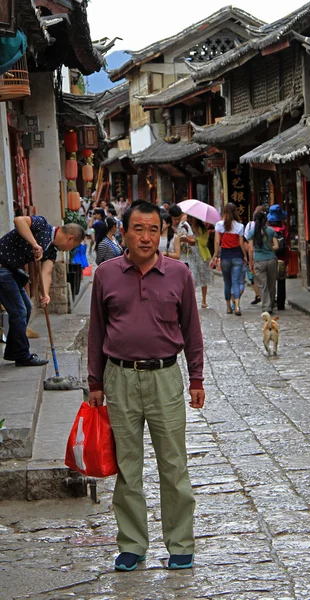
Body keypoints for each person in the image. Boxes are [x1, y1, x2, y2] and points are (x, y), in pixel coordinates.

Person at [88, 200, 205, 572]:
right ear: (123, 232)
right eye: (138, 228)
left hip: (165, 378)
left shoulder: (179, 275)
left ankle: (181, 543)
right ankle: (133, 543)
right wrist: (95, 382)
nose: (146, 236)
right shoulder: (106, 274)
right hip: (118, 379)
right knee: (128, 466)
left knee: (174, 464)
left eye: (154, 229)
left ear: (162, 232)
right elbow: (96, 331)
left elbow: (192, 330)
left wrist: (196, 377)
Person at [0, 216, 84, 366]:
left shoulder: (51, 251)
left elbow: (46, 272)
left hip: (11, 271)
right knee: (19, 311)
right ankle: (22, 355)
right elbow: (19, 220)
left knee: (27, 307)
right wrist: (34, 243)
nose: (67, 250)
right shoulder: (42, 225)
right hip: (2, 267)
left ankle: (14, 350)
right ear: (70, 238)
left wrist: (45, 293)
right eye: (71, 247)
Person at [210, 202, 247, 316]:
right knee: (236, 282)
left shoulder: (219, 225)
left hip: (225, 256)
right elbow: (241, 243)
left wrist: (215, 255)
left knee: (227, 282)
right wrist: (245, 255)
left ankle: (228, 307)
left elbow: (217, 242)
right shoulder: (239, 226)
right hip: (237, 256)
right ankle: (236, 306)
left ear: (224, 212)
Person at [247, 211, 279, 314]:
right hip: (271, 260)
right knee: (271, 284)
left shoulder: (252, 232)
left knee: (262, 285)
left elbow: (251, 249)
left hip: (259, 261)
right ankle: (271, 304)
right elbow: (276, 246)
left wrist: (250, 261)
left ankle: (266, 307)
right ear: (265, 220)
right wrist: (270, 249)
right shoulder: (271, 231)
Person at [187, 216, 214, 308]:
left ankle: (204, 300)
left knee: (204, 278)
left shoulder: (203, 229)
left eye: (193, 218)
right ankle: (192, 300)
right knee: (192, 277)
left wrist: (197, 233)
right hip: (191, 255)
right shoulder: (187, 228)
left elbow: (203, 242)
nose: (191, 220)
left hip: (202, 256)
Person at [267, 204, 290, 311]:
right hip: (282, 259)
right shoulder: (284, 229)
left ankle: (270, 303)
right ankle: (281, 304)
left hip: (270, 257)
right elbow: (287, 244)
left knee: (270, 282)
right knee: (281, 281)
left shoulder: (268, 230)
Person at [244, 206, 265, 306]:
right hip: (265, 256)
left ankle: (259, 295)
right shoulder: (267, 228)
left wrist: (249, 259)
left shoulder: (249, 227)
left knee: (254, 277)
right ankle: (263, 296)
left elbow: (248, 244)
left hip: (255, 256)